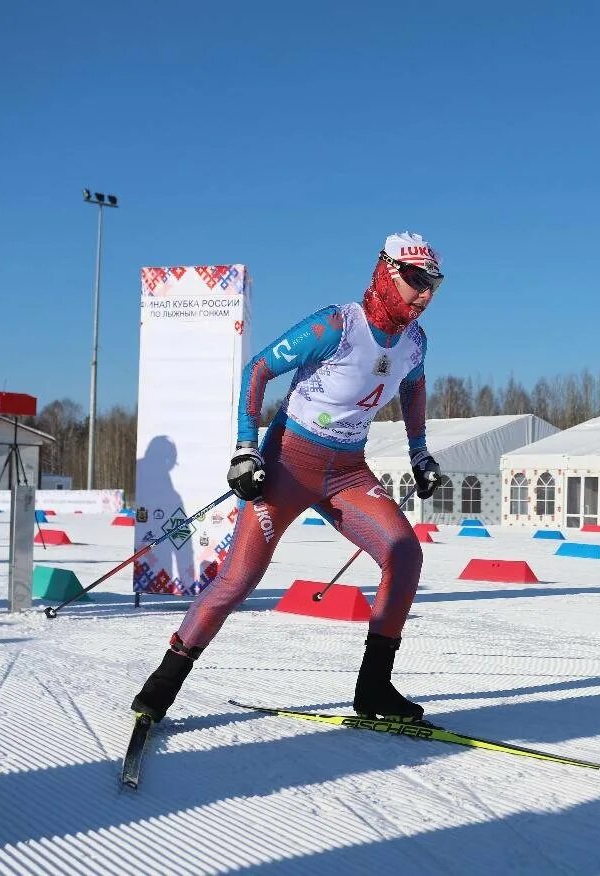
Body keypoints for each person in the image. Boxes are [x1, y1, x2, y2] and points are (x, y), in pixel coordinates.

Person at [132, 232, 445, 724]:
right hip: (286, 466)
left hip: (346, 472)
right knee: (239, 581)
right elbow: (258, 369)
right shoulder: (337, 325)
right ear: (386, 272)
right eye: (415, 281)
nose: (425, 294)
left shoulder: (415, 342)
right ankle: (160, 688)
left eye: (434, 285)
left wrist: (420, 452)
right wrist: (245, 449)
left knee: (404, 553)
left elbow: (414, 387)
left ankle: (374, 689)